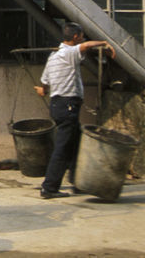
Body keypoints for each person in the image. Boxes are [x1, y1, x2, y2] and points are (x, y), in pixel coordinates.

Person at [34, 22, 114, 199]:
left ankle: (79, 182)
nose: (84, 38)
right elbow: (85, 46)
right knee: (62, 148)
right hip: (67, 105)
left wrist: (42, 91)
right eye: (82, 35)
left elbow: (44, 83)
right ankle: (49, 187)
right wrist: (104, 43)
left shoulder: (53, 57)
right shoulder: (69, 53)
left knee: (76, 143)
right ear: (76, 37)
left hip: (58, 104)